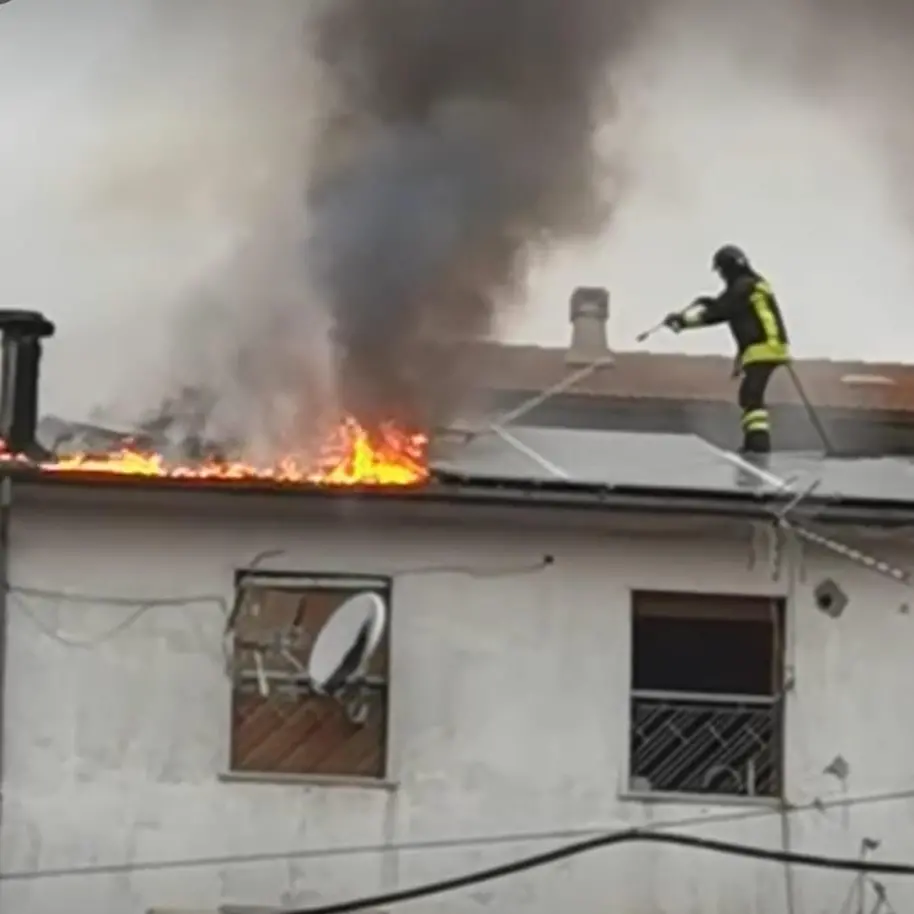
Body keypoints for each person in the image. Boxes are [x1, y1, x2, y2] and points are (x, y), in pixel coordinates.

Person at [664, 245, 789, 455]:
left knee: (751, 396)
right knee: (750, 395)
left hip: (763, 349)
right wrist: (709, 303)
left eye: (721, 271)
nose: (722, 276)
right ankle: (755, 443)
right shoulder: (752, 285)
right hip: (770, 347)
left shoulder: (743, 286)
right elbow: (730, 308)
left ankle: (758, 446)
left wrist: (683, 321)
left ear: (728, 268)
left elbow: (720, 312)